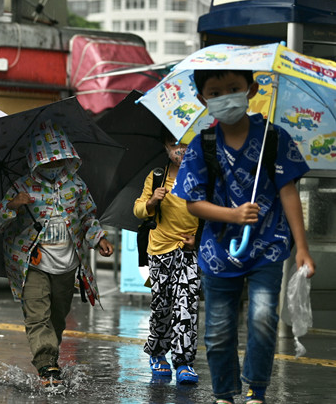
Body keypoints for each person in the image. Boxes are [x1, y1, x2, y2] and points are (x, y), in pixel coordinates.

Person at [174, 68, 315, 404]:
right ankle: (224, 393)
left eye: (234, 87)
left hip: (269, 247)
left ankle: (257, 390)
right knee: (219, 330)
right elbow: (194, 204)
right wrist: (233, 215)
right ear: (202, 99)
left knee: (263, 318)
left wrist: (303, 248)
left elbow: (288, 192)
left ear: (251, 89)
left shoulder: (275, 138)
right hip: (217, 254)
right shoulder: (202, 145)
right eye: (215, 91)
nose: (226, 97)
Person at [0, 120, 114, 388]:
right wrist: (13, 205)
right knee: (37, 315)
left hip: (67, 264)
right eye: (47, 162)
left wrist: (99, 237)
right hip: (33, 265)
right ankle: (46, 366)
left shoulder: (76, 186)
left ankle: (50, 359)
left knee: (57, 316)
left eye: (59, 161)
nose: (53, 167)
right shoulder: (21, 186)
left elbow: (88, 217)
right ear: (35, 160)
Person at [133, 128, 200, 384]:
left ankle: (184, 362)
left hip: (188, 252)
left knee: (186, 306)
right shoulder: (157, 177)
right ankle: (158, 353)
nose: (179, 149)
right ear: (165, 146)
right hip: (159, 251)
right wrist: (151, 202)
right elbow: (138, 209)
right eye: (174, 144)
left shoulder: (201, 176)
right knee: (162, 305)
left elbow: (209, 213)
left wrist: (198, 240)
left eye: (185, 143)